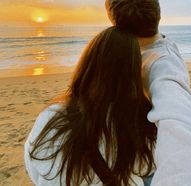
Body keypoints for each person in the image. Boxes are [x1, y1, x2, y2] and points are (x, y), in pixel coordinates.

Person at [105, 0, 191, 186]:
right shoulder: (162, 43)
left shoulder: (162, 66)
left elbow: (177, 112)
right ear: (157, 15)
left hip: (152, 165)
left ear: (117, 28)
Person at [24, 26, 157, 186]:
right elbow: (149, 167)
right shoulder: (138, 126)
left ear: (88, 63)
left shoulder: (50, 115)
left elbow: (33, 165)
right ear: (133, 75)